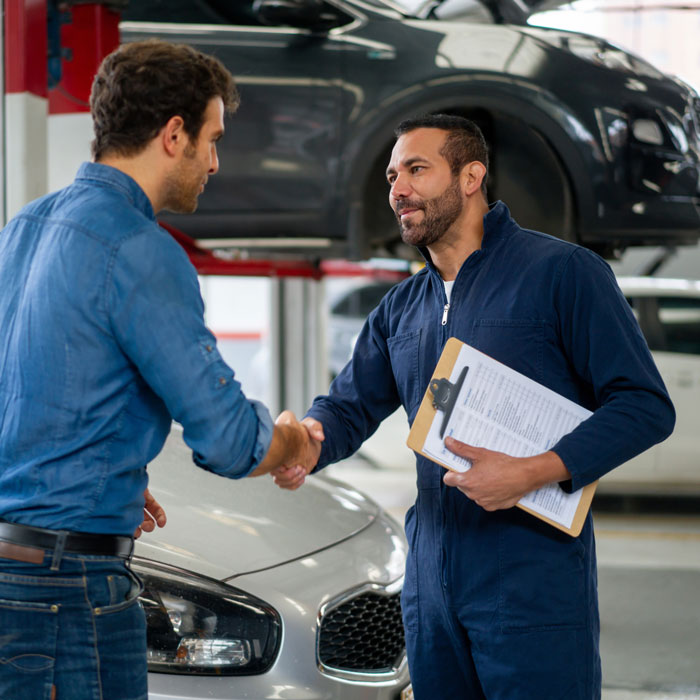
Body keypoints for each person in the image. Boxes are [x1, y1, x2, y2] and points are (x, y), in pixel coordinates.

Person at [272, 114, 675, 699]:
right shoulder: (400, 308)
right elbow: (346, 407)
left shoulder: (563, 274)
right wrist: (305, 440)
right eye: (391, 176)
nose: (397, 190)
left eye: (416, 169)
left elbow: (644, 406)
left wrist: (532, 472)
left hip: (531, 575)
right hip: (431, 581)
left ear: (470, 176)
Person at [0, 39, 320, 700]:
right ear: (173, 135)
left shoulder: (23, 230)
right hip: (68, 593)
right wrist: (293, 437)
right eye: (211, 138)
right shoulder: (141, 250)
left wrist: (93, 470)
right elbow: (229, 441)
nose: (215, 161)